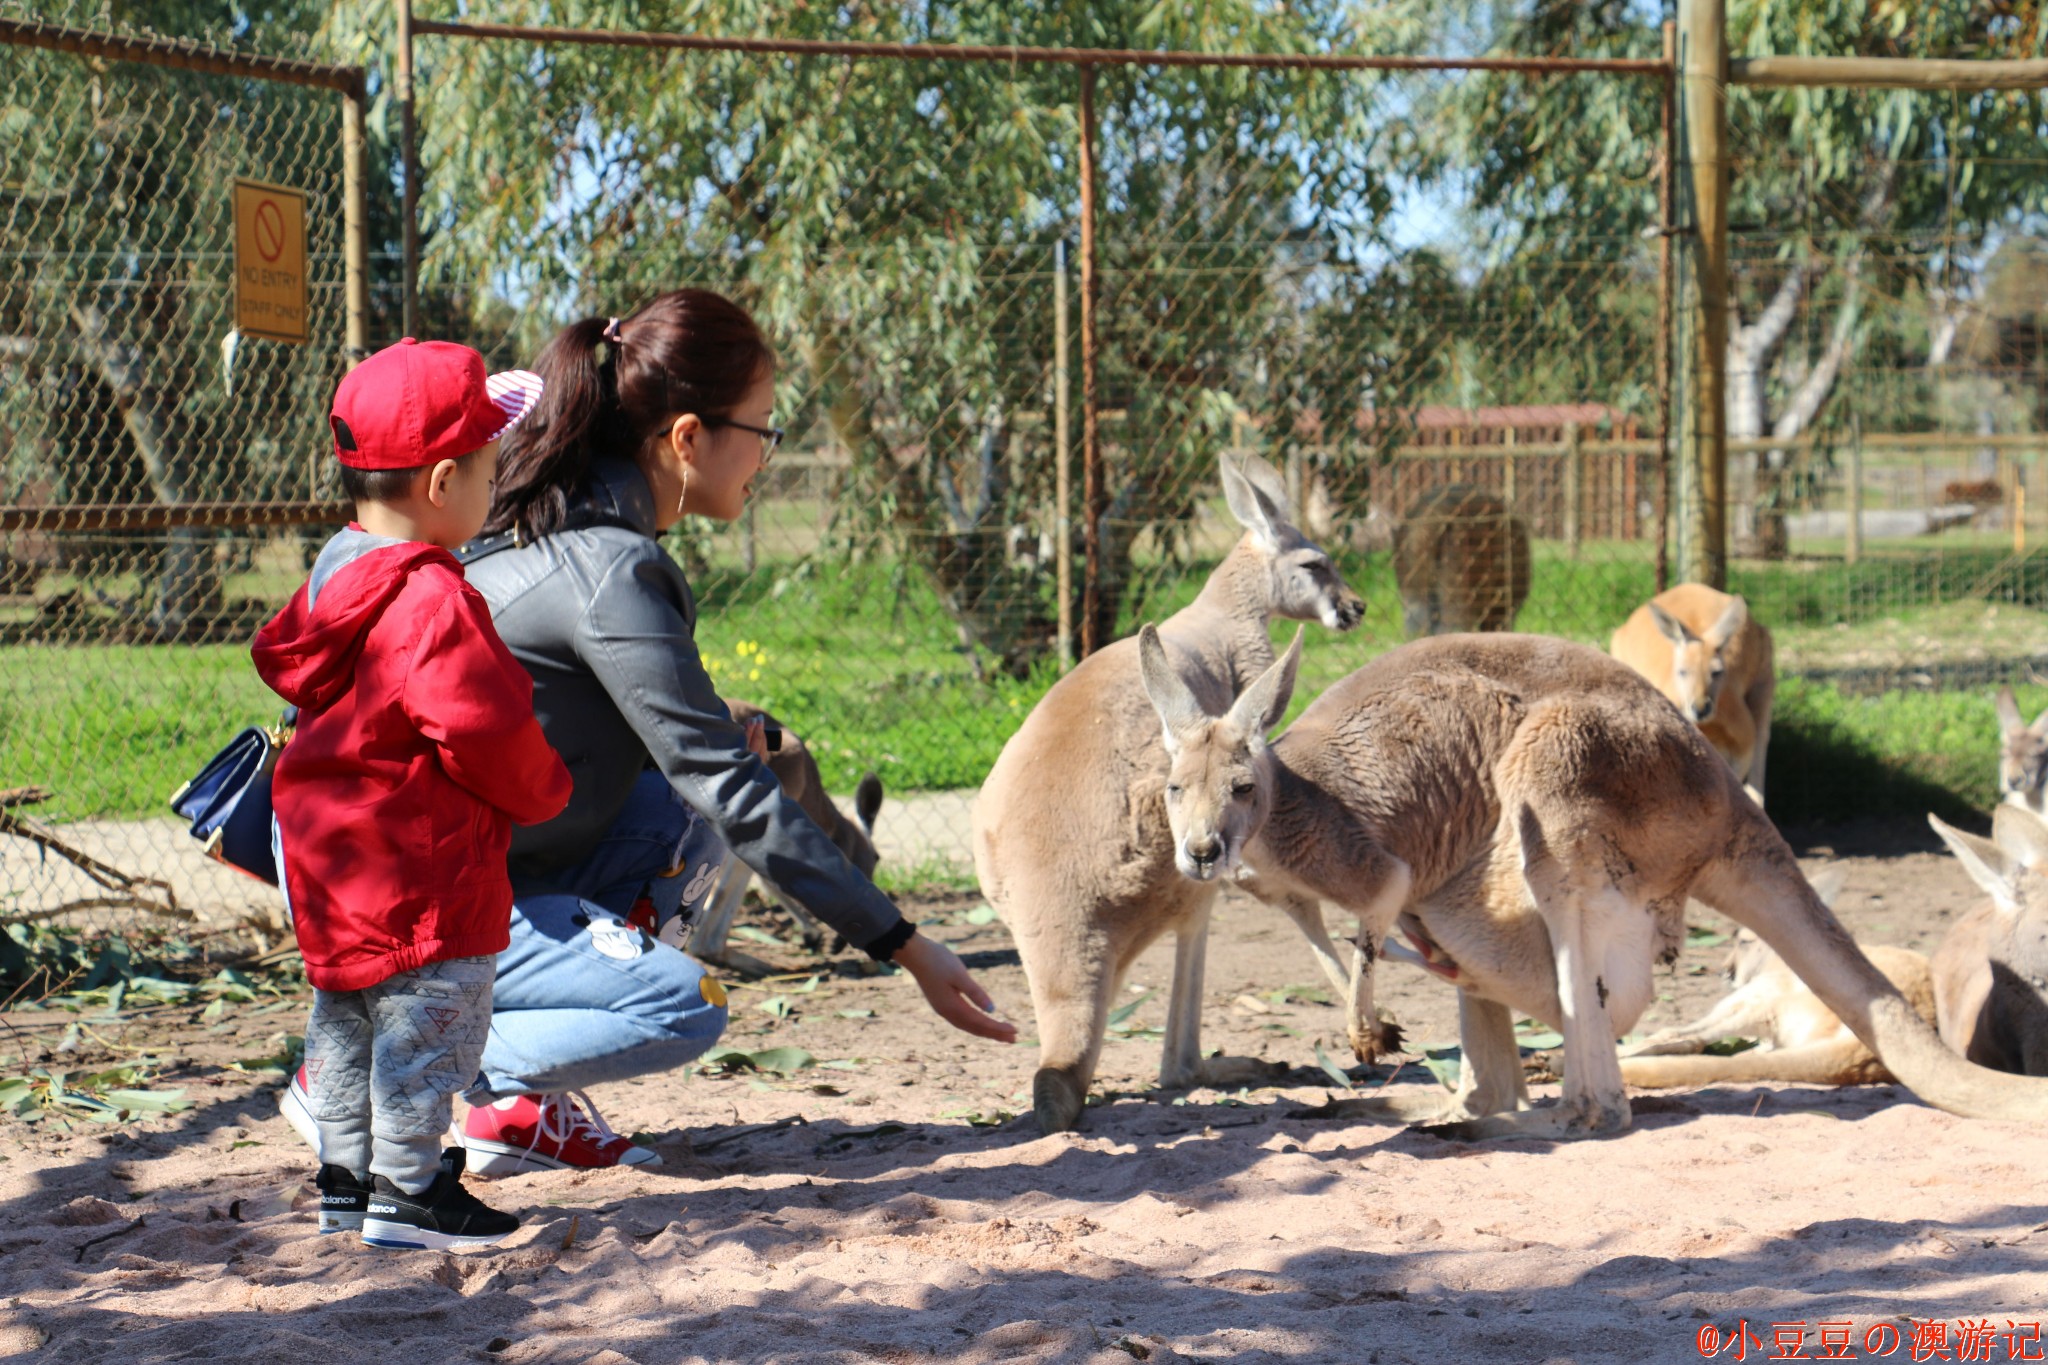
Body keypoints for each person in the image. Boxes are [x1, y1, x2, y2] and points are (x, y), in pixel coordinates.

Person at [441, 288, 1014, 1174]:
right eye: (763, 430)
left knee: (696, 803)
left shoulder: (570, 526)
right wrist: (904, 943)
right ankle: (408, 1055)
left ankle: (518, 1107)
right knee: (685, 1005)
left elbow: (685, 766)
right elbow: (729, 787)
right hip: (439, 904)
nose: (768, 456)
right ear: (687, 438)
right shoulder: (611, 565)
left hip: (484, 870)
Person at [255, 339, 573, 1248]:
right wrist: (544, 789)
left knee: (345, 1029)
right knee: (432, 1028)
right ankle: (410, 1191)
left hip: (334, 868)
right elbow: (484, 726)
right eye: (487, 465)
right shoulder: (432, 599)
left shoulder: (335, 574)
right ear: (442, 483)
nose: (494, 483)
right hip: (421, 871)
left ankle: (346, 1181)